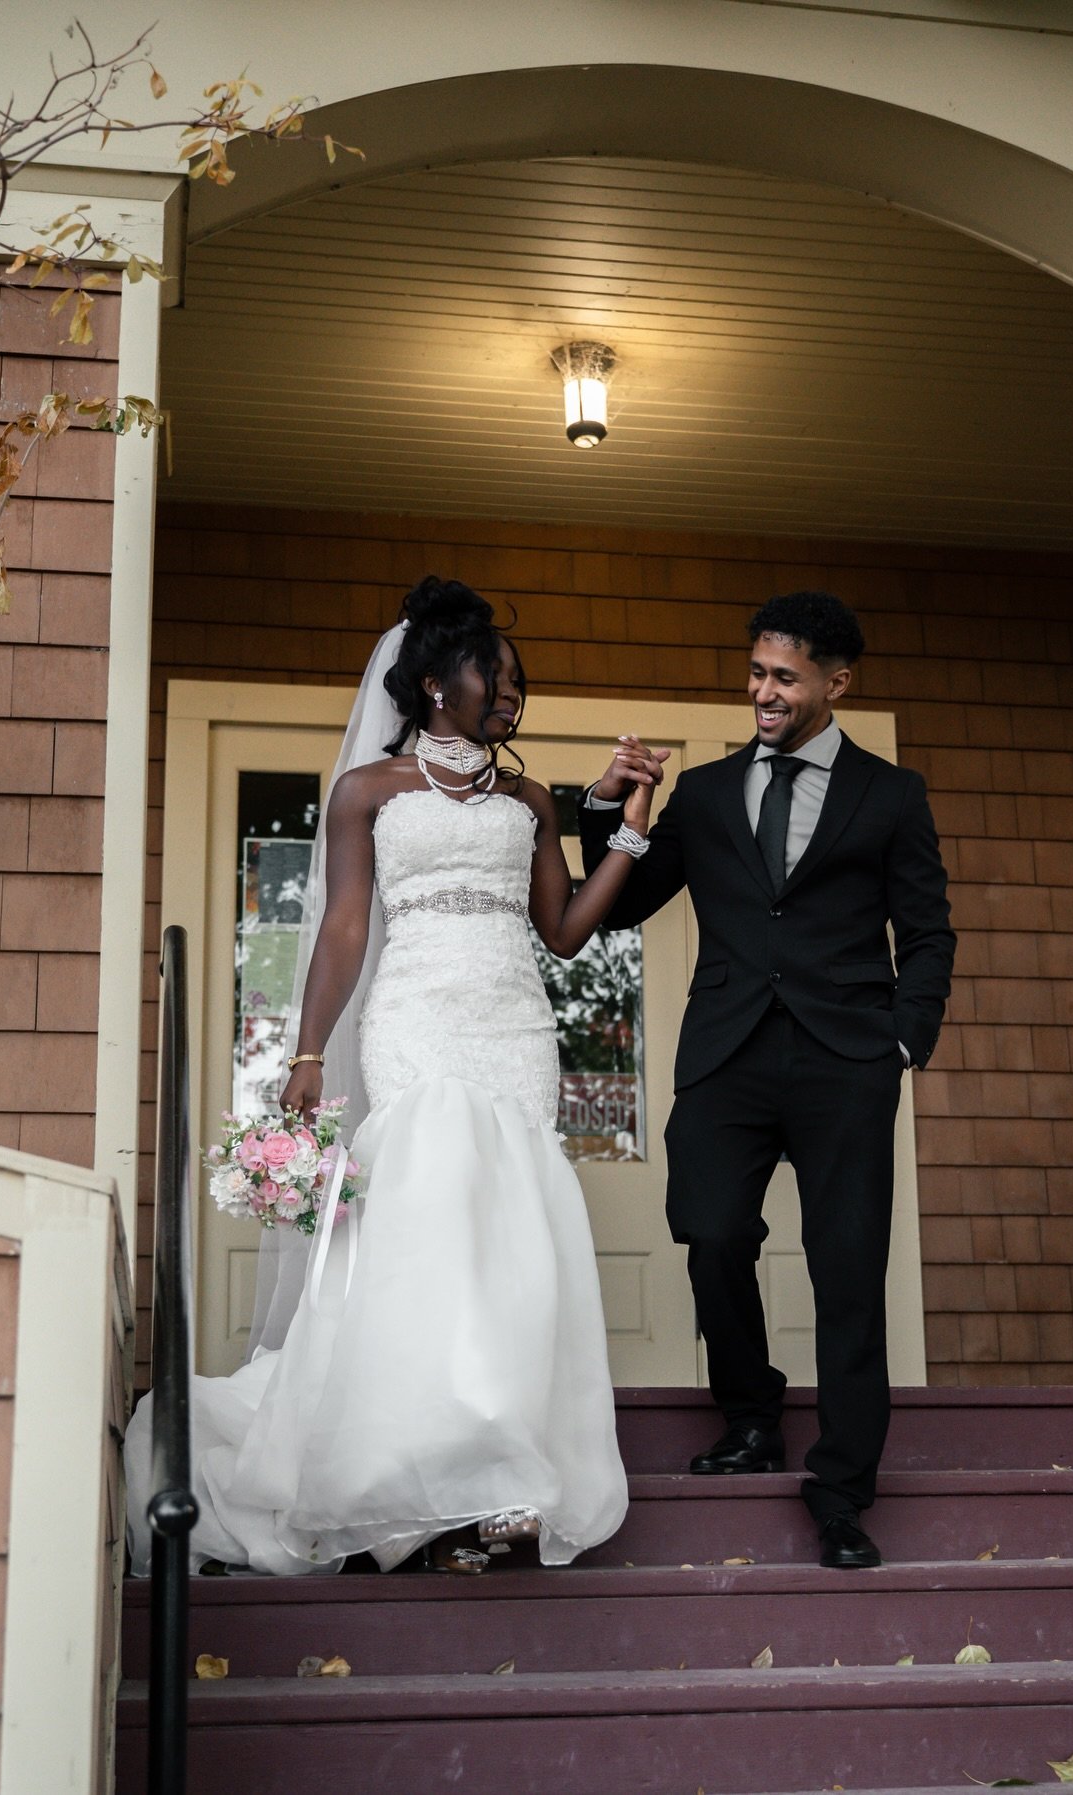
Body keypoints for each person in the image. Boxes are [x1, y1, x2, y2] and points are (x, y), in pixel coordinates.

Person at [124, 577, 661, 1576]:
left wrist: (630, 829)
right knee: (429, 1224)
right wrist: (307, 1051)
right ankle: (418, 1475)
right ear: (434, 683)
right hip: (414, 1020)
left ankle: (503, 1476)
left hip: (515, 1029)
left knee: (508, 1237)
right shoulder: (368, 790)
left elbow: (563, 931)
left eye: (518, 681)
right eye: (494, 675)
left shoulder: (530, 801)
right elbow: (343, 925)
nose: (512, 693)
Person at [579, 590, 954, 1570]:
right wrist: (609, 809)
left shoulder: (891, 795)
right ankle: (750, 1415)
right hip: (727, 1055)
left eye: (785, 676)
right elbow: (620, 904)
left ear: (837, 682)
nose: (763, 691)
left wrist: (902, 1042)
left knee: (848, 1272)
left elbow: (927, 932)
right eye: (756, 672)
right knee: (710, 1232)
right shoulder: (705, 793)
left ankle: (842, 1490)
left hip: (847, 1061)